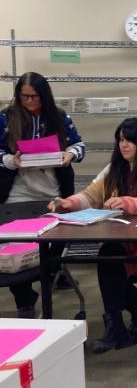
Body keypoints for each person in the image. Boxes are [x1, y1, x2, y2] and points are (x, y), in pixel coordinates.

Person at [50, 117, 137, 353]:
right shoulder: (114, 168)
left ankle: (127, 321)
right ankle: (120, 323)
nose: (124, 145)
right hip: (122, 241)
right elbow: (90, 196)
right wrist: (67, 203)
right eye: (121, 140)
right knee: (109, 257)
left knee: (111, 263)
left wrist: (130, 203)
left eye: (130, 140)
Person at [0, 72, 85, 318]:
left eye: (35, 97)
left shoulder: (58, 117)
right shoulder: (6, 119)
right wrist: (10, 160)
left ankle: (52, 276)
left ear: (44, 96)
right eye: (24, 96)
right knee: (13, 248)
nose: (30, 102)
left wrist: (70, 154)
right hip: (17, 192)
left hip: (53, 190)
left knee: (55, 245)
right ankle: (24, 301)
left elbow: (79, 145)